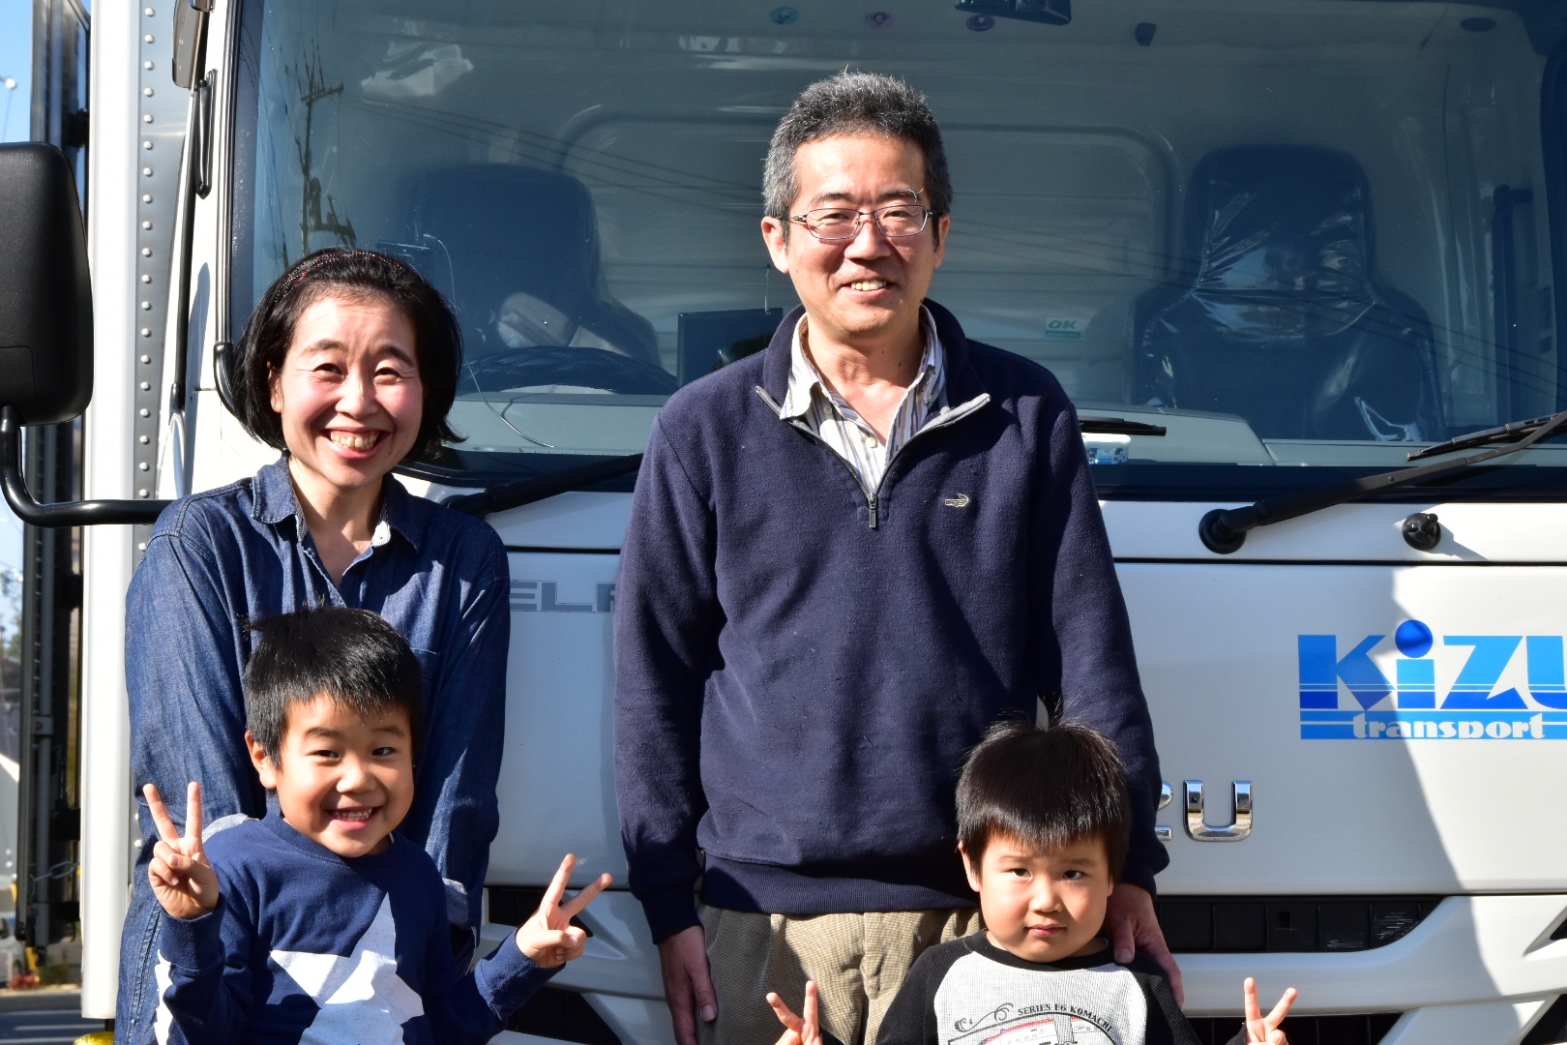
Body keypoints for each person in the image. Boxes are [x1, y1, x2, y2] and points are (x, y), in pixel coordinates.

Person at [614, 72, 1175, 1045]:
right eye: (833, 214)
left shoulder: (1024, 414)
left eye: (898, 212)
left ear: (941, 235)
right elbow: (652, 682)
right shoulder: (700, 431)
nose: (867, 244)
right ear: (777, 239)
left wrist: (1127, 864)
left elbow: (1089, 661)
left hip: (981, 913)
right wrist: (668, 903)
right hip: (760, 923)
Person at [118, 248, 511, 1041]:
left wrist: (426, 974)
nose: (358, 402)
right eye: (327, 367)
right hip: (218, 969)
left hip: (384, 986)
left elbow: (453, 804)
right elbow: (207, 806)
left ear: (425, 388)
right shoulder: (199, 543)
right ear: (273, 381)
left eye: (390, 371)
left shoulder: (465, 560)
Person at [142, 606, 612, 1043]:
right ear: (265, 758)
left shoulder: (420, 876)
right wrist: (192, 925)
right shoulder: (233, 869)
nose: (359, 778)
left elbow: (443, 1027)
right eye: (327, 752)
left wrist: (522, 956)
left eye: (383, 750)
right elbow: (205, 1032)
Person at [764, 722, 1298, 1045]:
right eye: (1019, 871)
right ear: (973, 867)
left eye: (1073, 873)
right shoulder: (941, 974)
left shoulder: (1138, 985)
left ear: (1113, 874)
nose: (1046, 899)